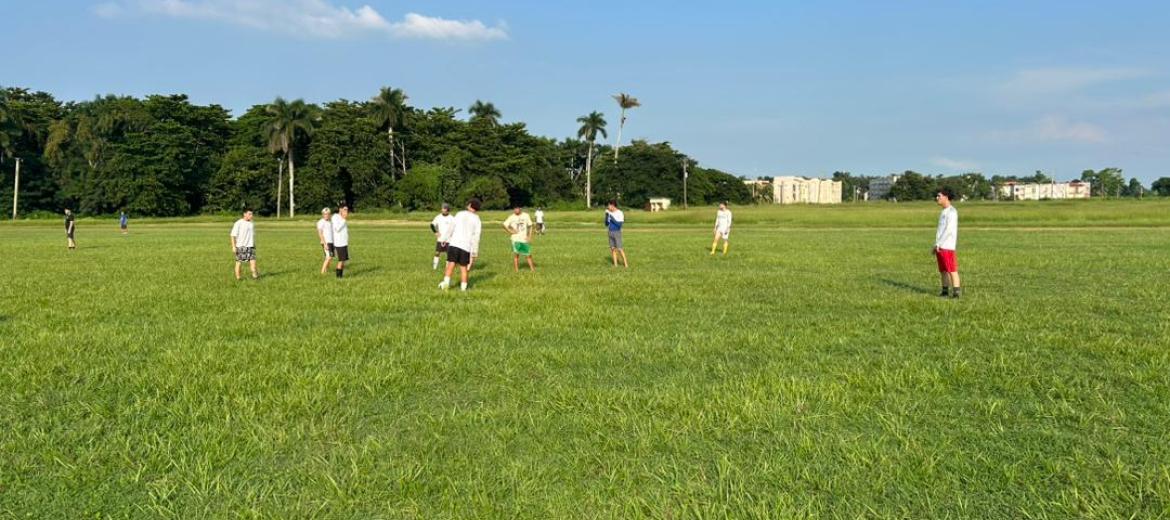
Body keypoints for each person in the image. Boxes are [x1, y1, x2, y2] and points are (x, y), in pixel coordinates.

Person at [438, 198, 482, 291]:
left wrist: (444, 238)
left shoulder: (460, 214)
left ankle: (446, 284)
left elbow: (451, 227)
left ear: (469, 205)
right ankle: (463, 288)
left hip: (454, 243)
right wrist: (474, 251)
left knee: (451, 264)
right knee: (463, 268)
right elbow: (476, 236)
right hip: (466, 246)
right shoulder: (477, 219)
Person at [934, 187, 962, 298]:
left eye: (939, 196)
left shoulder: (952, 212)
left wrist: (939, 244)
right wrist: (936, 244)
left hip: (947, 246)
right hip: (940, 246)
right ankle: (945, 291)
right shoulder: (943, 212)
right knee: (943, 270)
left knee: (952, 270)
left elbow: (948, 230)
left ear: (946, 197)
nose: (937, 198)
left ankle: (956, 293)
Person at [503, 205, 536, 272]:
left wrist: (529, 236)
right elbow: (504, 225)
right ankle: (516, 270)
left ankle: (532, 270)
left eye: (517, 208)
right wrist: (510, 231)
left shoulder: (526, 215)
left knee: (528, 254)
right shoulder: (511, 217)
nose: (515, 210)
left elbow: (530, 226)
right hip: (515, 239)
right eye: (514, 208)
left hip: (524, 238)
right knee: (516, 254)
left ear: (520, 208)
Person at [230, 209, 258, 280]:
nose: (251, 216)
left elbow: (252, 235)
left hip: (250, 246)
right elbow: (233, 235)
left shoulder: (251, 224)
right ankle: (238, 278)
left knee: (253, 263)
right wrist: (233, 246)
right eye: (249, 214)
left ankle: (255, 277)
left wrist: (253, 244)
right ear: (244, 214)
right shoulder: (238, 223)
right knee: (239, 263)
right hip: (241, 246)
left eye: (252, 214)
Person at [430, 203, 456, 270]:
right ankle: (434, 268)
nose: (443, 210)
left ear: (448, 210)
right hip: (440, 239)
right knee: (437, 253)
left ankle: (447, 268)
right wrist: (435, 232)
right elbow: (432, 225)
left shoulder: (452, 218)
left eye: (445, 208)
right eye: (442, 208)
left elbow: (456, 227)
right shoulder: (438, 217)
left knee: (448, 254)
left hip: (449, 239)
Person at [604, 200, 629, 268]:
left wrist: (611, 217)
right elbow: (606, 224)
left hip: (617, 232)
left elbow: (619, 225)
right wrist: (606, 216)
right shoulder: (609, 213)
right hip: (610, 232)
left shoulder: (620, 213)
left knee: (620, 249)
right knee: (612, 249)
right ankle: (615, 265)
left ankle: (626, 264)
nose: (608, 207)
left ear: (612, 205)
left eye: (609, 205)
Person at [331, 205, 350, 279]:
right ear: (340, 209)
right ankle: (338, 277)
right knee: (341, 260)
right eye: (345, 209)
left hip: (344, 242)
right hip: (339, 243)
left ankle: (340, 276)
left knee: (343, 260)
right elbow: (337, 228)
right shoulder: (335, 217)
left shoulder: (342, 218)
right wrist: (344, 219)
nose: (346, 211)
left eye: (347, 210)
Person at [317, 207, 334, 275]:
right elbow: (320, 233)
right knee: (329, 257)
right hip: (326, 242)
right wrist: (324, 244)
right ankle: (322, 272)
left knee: (330, 257)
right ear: (323, 214)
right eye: (325, 214)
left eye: (328, 214)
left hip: (331, 241)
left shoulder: (330, 222)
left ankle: (326, 270)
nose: (326, 215)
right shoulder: (321, 222)